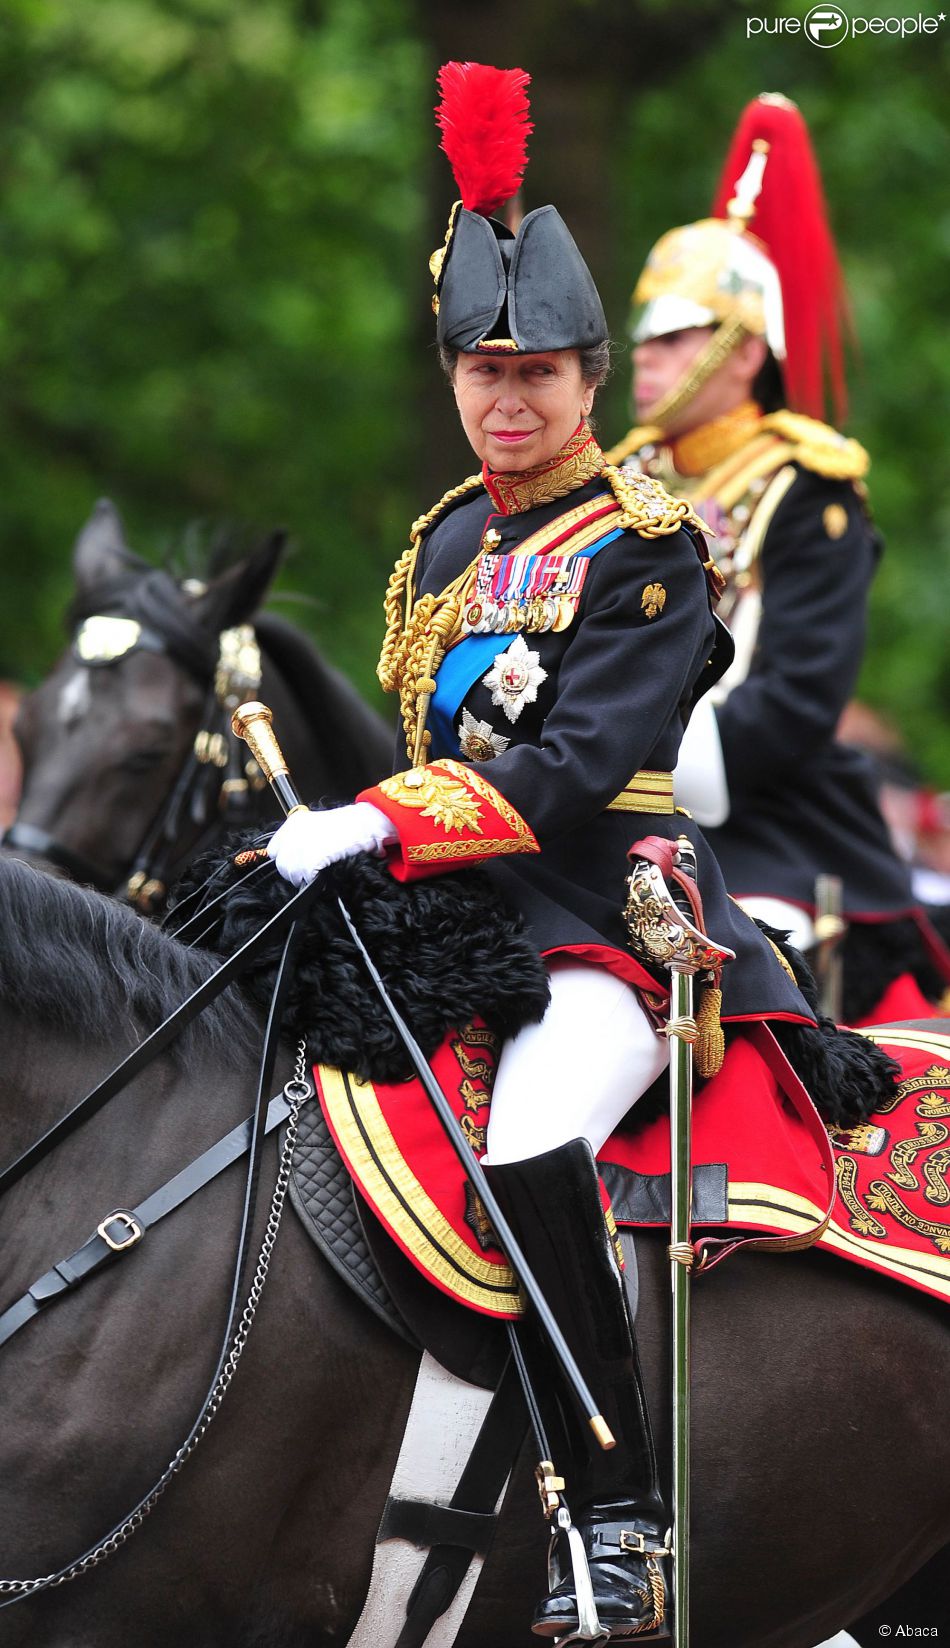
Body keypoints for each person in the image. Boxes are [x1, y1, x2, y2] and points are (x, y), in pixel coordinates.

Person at [265, 66, 846, 1641]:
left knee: (524, 1146)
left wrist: (376, 819)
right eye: (480, 369)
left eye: (537, 372)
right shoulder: (452, 536)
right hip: (450, 904)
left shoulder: (649, 543)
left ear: (593, 379)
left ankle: (615, 1520)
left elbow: (580, 766)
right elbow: (432, 736)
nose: (506, 399)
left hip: (603, 913)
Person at [607, 94, 950, 1025]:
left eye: (673, 336)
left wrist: (637, 760)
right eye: (642, 337)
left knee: (730, 962)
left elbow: (800, 694)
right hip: (598, 808)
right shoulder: (615, 478)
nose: (643, 359)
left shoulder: (812, 489)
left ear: (744, 347)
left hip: (764, 823)